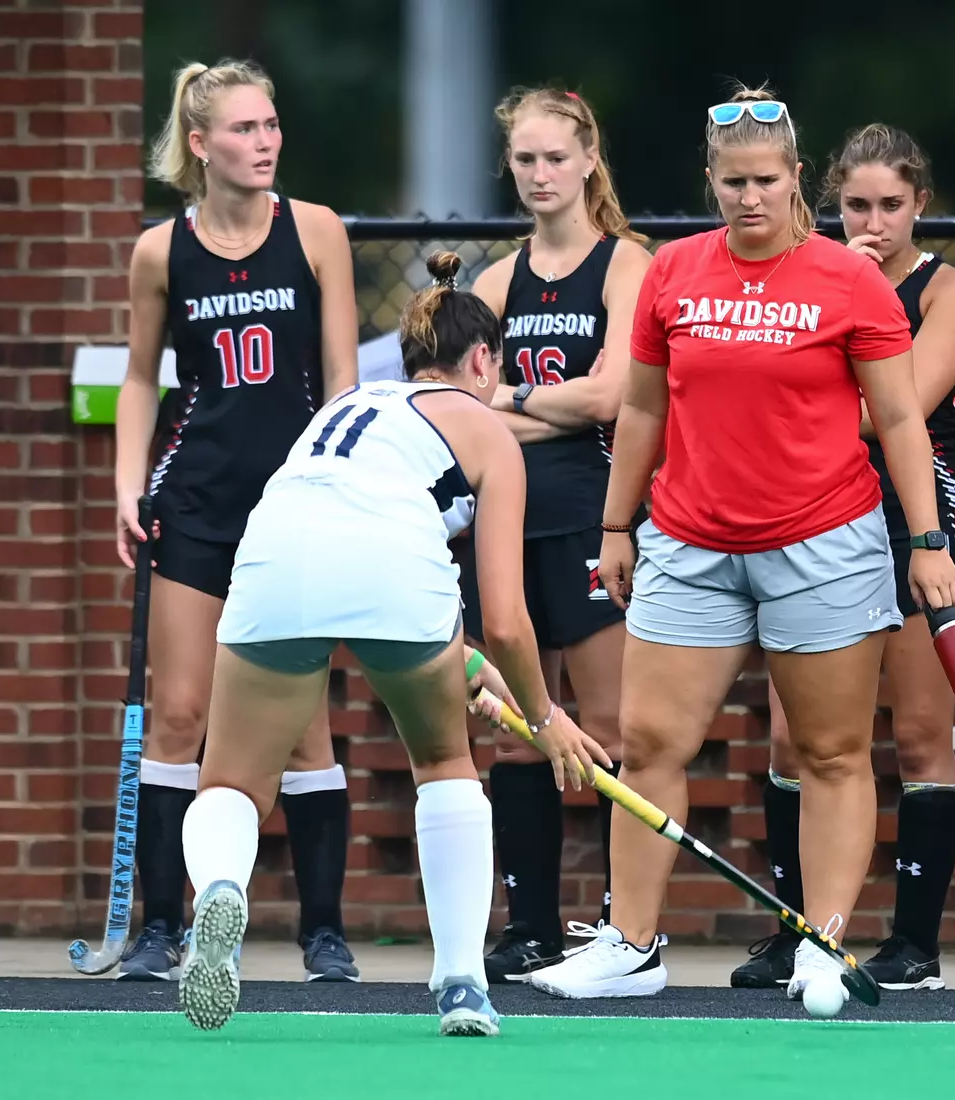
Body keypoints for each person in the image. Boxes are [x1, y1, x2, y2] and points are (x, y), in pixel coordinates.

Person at [524, 84, 955, 1004]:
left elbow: (898, 418)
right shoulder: (674, 271)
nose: (749, 198)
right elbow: (642, 406)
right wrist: (616, 524)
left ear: (798, 177)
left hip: (826, 541)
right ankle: (632, 944)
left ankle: (824, 946)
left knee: (831, 753)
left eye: (766, 180)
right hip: (689, 540)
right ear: (710, 180)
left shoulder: (852, 279)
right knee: (648, 745)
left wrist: (926, 540)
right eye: (732, 183)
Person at [176, 262, 609, 1033]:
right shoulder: (489, 431)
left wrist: (466, 663)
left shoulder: (351, 403)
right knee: (444, 765)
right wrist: (546, 719)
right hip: (395, 573)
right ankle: (463, 985)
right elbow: (505, 620)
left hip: (276, 546)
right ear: (483, 362)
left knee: (233, 782)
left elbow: (367, 563)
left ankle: (219, 888)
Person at [114, 59, 361, 982]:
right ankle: (159, 927)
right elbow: (142, 378)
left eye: (271, 126)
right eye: (246, 130)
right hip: (198, 500)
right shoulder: (158, 251)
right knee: (179, 714)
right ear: (201, 144)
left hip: (295, 507)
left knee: (302, 727)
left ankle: (323, 934)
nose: (265, 143)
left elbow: (343, 378)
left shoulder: (317, 232)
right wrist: (124, 486)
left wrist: (343, 486)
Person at [734, 124, 955, 992]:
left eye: (890, 206)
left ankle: (915, 944)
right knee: (792, 738)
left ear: (921, 205)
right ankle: (795, 932)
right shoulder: (805, 280)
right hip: (807, 512)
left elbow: (898, 408)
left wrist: (787, 410)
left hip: (916, 514)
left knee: (919, 733)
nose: (871, 224)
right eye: (854, 207)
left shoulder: (948, 290)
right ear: (827, 201)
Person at [461, 86, 653, 983]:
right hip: (506, 522)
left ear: (587, 160)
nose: (540, 174)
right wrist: (538, 407)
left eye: (554, 158)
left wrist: (508, 402)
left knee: (613, 720)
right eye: (525, 160)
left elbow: (612, 397)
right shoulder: (495, 282)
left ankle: (622, 927)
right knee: (516, 727)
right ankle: (530, 924)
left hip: (593, 512)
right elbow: (466, 410)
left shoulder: (626, 265)